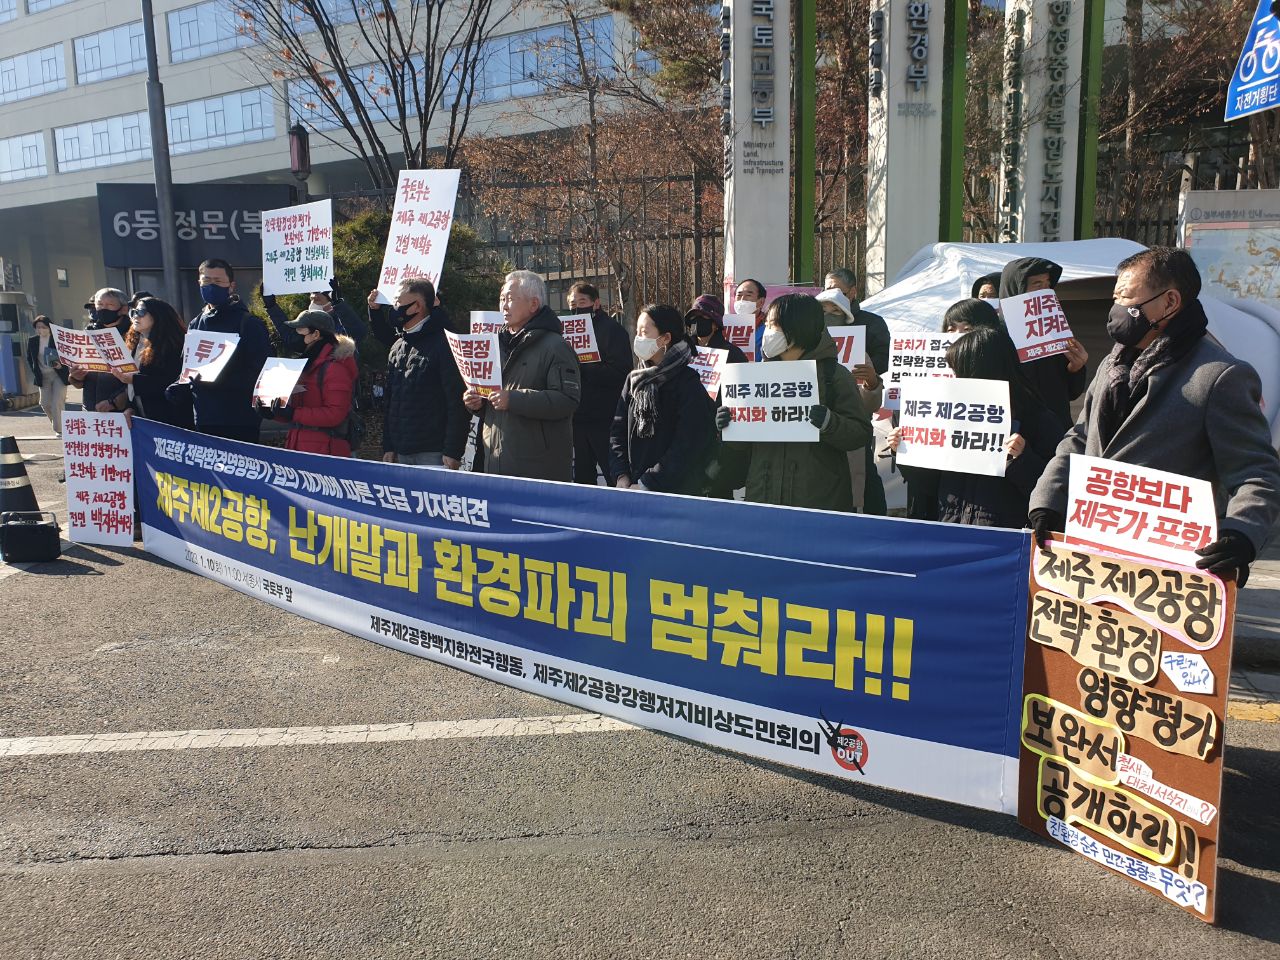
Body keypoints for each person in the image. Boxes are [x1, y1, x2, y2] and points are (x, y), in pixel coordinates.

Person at [1029, 247, 1280, 586]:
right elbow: (1080, 437)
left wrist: (1241, 534)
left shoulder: (1220, 376)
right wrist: (1047, 501)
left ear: (1170, 302)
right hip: (1091, 557)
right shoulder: (1111, 365)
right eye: (1115, 298)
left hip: (1168, 574)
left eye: (1126, 298)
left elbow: (1256, 473)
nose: (1116, 309)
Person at [890, 327, 1063, 528]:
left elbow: (1054, 492)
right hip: (952, 528)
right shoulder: (948, 417)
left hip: (1006, 537)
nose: (954, 379)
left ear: (982, 371)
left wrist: (1022, 458)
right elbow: (930, 485)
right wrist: (905, 451)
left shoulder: (1039, 421)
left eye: (959, 372)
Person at [712, 295, 872, 511]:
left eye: (773, 325)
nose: (768, 332)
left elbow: (860, 433)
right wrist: (729, 427)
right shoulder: (756, 376)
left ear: (798, 327)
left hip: (818, 501)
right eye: (767, 325)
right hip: (763, 496)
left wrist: (829, 423)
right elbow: (744, 446)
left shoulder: (833, 376)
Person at [464, 270, 581, 481]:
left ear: (533, 304)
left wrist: (513, 399)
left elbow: (567, 400)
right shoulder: (494, 344)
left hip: (538, 469)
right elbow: (495, 401)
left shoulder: (555, 346)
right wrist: (478, 403)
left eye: (510, 299)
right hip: (496, 461)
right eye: (501, 299)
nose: (504, 306)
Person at [610, 304, 716, 495]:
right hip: (633, 487)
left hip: (675, 491)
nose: (638, 338)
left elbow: (688, 443)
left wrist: (649, 482)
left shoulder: (687, 383)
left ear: (665, 338)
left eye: (644, 332)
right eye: (637, 332)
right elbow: (618, 431)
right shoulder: (634, 380)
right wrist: (621, 475)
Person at [165, 259, 271, 443]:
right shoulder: (196, 323)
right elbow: (189, 367)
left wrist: (216, 380)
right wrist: (179, 386)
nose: (212, 286)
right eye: (206, 281)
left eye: (218, 281)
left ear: (231, 286)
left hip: (239, 420)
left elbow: (260, 373)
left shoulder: (249, 323)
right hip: (204, 418)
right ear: (199, 283)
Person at [822, 268, 892, 514]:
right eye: (827, 291)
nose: (831, 296)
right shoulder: (811, 333)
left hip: (856, 408)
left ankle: (872, 520)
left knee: (862, 474)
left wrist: (867, 374)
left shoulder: (872, 324)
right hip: (820, 418)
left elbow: (883, 359)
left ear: (852, 292)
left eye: (837, 292)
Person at [381, 278, 469, 467]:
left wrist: (453, 450)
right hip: (399, 451)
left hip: (434, 452)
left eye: (398, 302)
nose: (393, 308)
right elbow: (390, 400)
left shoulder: (444, 344)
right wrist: (388, 445)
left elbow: (457, 401)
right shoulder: (397, 346)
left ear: (417, 306)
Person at [997, 257, 1089, 427]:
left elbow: (1071, 393)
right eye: (1037, 284)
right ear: (1016, 288)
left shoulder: (1054, 328)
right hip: (1017, 432)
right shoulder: (996, 334)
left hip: (1058, 429)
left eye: (1048, 284)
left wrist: (1075, 369)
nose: (1045, 291)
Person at [257, 309, 359, 457]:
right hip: (299, 446)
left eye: (300, 331)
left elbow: (335, 414)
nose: (295, 336)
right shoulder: (308, 364)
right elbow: (297, 413)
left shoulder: (335, 368)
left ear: (316, 334)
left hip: (325, 452)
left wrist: (293, 413)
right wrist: (273, 412)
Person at [566, 281, 631, 485]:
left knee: (612, 473)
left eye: (582, 302)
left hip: (605, 417)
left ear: (595, 303)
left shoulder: (612, 330)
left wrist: (586, 366)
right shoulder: (565, 332)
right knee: (582, 477)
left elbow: (621, 372)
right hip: (578, 417)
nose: (577, 307)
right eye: (572, 304)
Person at [113, 297, 189, 427]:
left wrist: (133, 380)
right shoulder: (136, 342)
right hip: (144, 418)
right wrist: (131, 407)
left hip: (171, 421)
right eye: (133, 312)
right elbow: (132, 387)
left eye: (141, 312)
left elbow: (172, 383)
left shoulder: (173, 345)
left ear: (158, 316)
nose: (135, 316)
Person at [67, 288, 131, 415]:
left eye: (110, 305)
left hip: (123, 412)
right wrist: (76, 377)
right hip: (90, 409)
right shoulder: (88, 333)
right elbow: (79, 381)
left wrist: (115, 401)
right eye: (100, 304)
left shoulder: (133, 335)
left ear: (123, 309)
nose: (103, 309)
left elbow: (140, 379)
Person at [262, 278, 367, 351]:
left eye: (318, 297)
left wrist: (339, 303)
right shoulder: (308, 325)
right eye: (312, 295)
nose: (313, 299)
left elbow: (357, 333)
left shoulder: (340, 325)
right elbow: (291, 337)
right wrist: (271, 306)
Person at [26, 316, 69, 435]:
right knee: (44, 403)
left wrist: (61, 366)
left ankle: (60, 430)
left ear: (49, 328)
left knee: (57, 403)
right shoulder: (33, 341)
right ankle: (58, 423)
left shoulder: (57, 339)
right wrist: (35, 371)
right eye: (38, 327)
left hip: (58, 375)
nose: (41, 329)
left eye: (43, 327)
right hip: (43, 377)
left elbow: (67, 356)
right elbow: (29, 358)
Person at [685, 294, 749, 365]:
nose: (697, 320)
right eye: (694, 316)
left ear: (715, 324)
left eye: (704, 316)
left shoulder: (732, 353)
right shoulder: (683, 350)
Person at [735, 278, 769, 360]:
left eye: (748, 295)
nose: (742, 299)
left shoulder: (770, 326)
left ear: (761, 302)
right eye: (739, 295)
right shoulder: (726, 326)